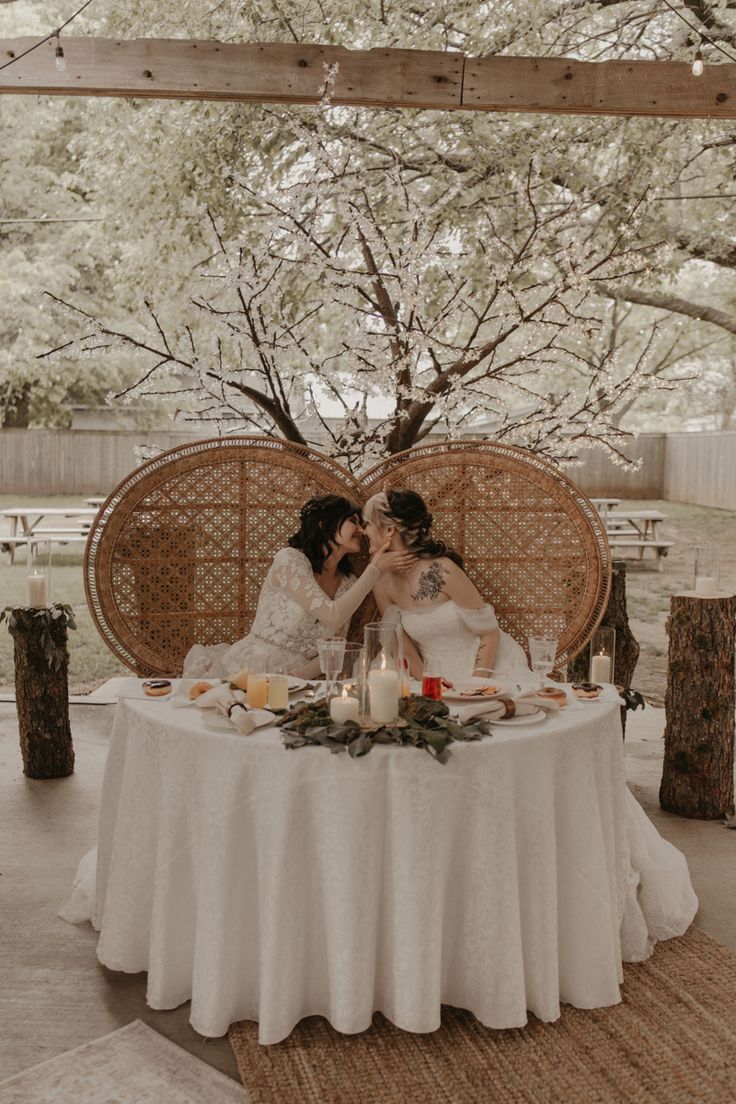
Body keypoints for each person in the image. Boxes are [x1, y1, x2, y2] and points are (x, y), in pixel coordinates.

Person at [182, 494, 414, 679]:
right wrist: (375, 570)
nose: (362, 530)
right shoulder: (289, 560)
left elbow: (336, 645)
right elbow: (332, 616)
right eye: (353, 521)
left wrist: (295, 678)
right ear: (325, 523)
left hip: (300, 684)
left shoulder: (349, 583)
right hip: (249, 671)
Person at [362, 488, 531, 685]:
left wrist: (476, 685)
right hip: (428, 675)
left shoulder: (443, 570)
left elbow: (489, 633)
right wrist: (430, 682)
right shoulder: (381, 582)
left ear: (389, 530)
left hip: (487, 667)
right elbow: (402, 647)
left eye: (368, 524)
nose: (363, 531)